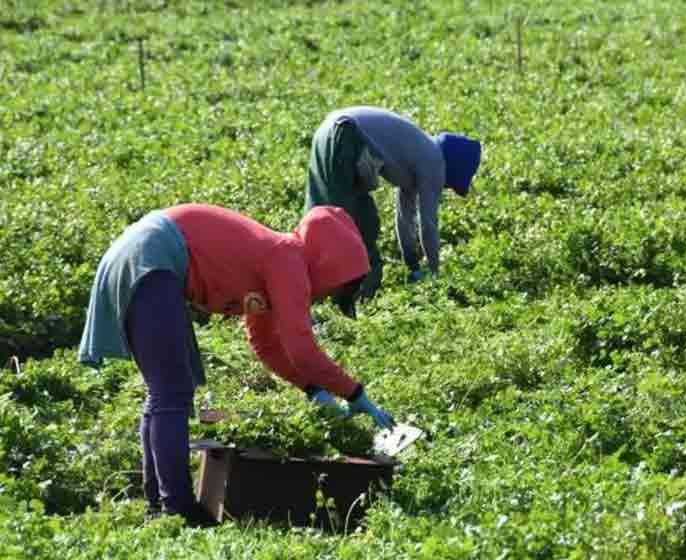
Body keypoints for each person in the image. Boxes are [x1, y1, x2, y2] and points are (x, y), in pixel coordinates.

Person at [78, 203, 396, 527]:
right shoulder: (289, 260)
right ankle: (177, 508)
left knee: (166, 392)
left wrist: (313, 389)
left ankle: (158, 504)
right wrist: (353, 393)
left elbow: (267, 345)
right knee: (170, 393)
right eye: (336, 288)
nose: (327, 296)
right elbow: (302, 350)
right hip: (151, 258)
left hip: (141, 254)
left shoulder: (279, 261)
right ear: (331, 265)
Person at [305, 106, 482, 300]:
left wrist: (412, 265)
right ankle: (349, 300)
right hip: (346, 136)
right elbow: (428, 224)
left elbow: (404, 218)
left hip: (329, 130)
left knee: (332, 220)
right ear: (454, 168)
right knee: (346, 230)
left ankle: (319, 288)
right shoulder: (434, 161)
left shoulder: (417, 154)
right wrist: (434, 271)